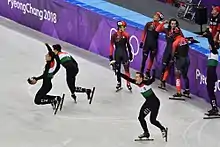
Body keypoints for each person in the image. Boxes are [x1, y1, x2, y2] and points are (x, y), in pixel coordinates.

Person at [120, 70, 168, 141]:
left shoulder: (146, 83)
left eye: (137, 77)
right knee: (140, 117)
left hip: (155, 103)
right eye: (135, 77)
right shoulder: (137, 82)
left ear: (141, 78)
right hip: (148, 103)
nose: (136, 79)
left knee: (153, 120)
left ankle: (163, 129)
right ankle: (146, 133)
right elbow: (128, 78)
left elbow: (152, 80)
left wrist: (154, 73)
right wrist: (119, 73)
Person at [156, 18, 183, 90]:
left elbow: (183, 38)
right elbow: (157, 30)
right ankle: (161, 81)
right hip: (167, 51)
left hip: (174, 52)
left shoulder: (178, 31)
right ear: (170, 24)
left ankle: (163, 81)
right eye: (172, 24)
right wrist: (163, 23)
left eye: (175, 24)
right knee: (163, 67)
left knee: (168, 67)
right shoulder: (167, 30)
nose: (173, 25)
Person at [109, 20, 133, 91]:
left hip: (124, 54)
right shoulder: (114, 35)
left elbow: (128, 46)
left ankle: (128, 83)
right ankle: (119, 83)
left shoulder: (126, 35)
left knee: (126, 70)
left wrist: (130, 54)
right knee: (117, 70)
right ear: (120, 27)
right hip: (117, 54)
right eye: (124, 27)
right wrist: (110, 55)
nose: (124, 28)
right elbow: (111, 45)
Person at [140, 12, 164, 78]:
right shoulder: (148, 24)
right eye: (155, 15)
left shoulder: (160, 26)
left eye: (157, 16)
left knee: (151, 59)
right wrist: (142, 41)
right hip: (147, 44)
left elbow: (163, 31)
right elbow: (144, 33)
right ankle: (141, 72)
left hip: (154, 45)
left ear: (159, 19)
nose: (154, 16)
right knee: (144, 59)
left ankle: (147, 72)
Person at [203, 29, 220, 115]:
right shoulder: (213, 53)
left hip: (212, 75)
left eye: (211, 46)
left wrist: (209, 34)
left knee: (210, 91)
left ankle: (214, 108)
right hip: (211, 74)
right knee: (210, 91)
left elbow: (211, 43)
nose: (209, 46)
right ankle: (214, 107)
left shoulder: (215, 52)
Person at [170, 34, 190, 98]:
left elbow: (173, 54)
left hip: (180, 60)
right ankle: (187, 90)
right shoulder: (185, 40)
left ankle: (178, 92)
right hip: (187, 59)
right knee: (185, 75)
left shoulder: (175, 42)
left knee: (177, 76)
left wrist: (172, 59)